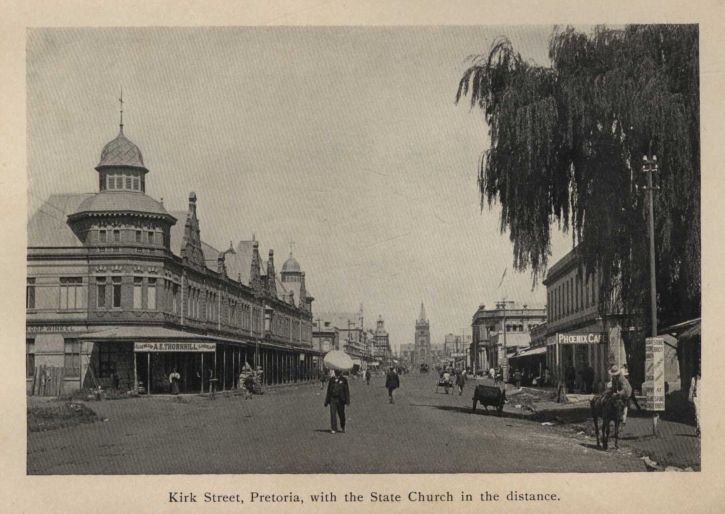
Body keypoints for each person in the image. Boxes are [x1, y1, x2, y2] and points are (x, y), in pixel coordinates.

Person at [324, 369, 350, 433]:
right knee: (333, 414)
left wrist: (347, 400)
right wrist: (326, 401)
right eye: (336, 371)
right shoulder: (332, 380)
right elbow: (328, 391)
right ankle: (334, 428)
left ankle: (343, 425)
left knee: (341, 414)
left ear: (340, 372)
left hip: (341, 400)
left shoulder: (344, 380)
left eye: (338, 372)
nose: (337, 373)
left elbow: (346, 391)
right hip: (333, 399)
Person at [689, 368, 701, 437]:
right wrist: (690, 398)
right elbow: (691, 388)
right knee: (698, 414)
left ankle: (699, 430)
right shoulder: (694, 379)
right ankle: (699, 429)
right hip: (697, 399)